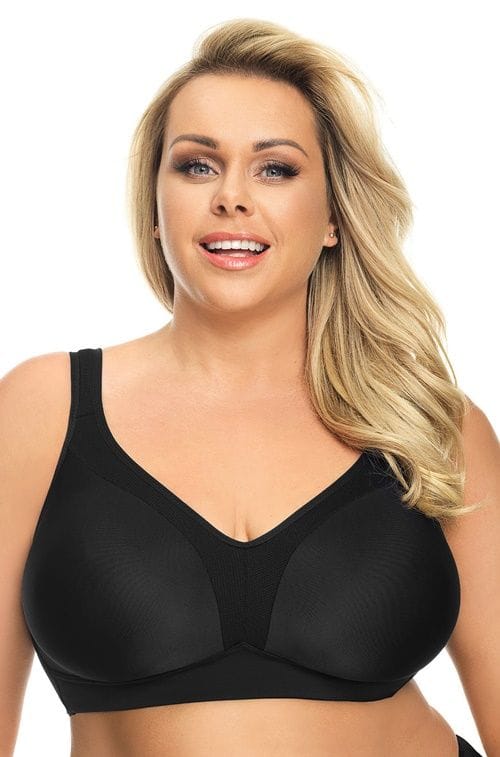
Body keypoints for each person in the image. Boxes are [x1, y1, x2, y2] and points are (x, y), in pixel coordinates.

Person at [1, 17, 498, 757]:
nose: (231, 196)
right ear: (156, 204)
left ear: (333, 217)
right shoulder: (44, 408)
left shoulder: (428, 426)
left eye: (276, 169)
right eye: (197, 165)